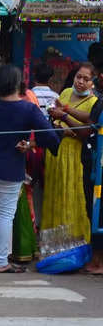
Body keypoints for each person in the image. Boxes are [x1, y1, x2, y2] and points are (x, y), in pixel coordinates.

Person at [0, 65, 59, 273]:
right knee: (5, 215)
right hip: (11, 166)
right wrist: (31, 145)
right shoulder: (27, 108)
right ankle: (1, 261)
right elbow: (50, 137)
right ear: (18, 83)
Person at [43, 63, 97, 244]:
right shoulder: (65, 93)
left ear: (93, 83)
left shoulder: (93, 103)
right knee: (55, 194)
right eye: (78, 77)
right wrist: (58, 124)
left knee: (74, 198)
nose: (80, 82)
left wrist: (64, 116)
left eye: (86, 79)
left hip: (76, 156)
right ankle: (53, 245)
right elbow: (54, 119)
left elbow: (86, 132)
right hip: (57, 153)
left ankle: (74, 245)